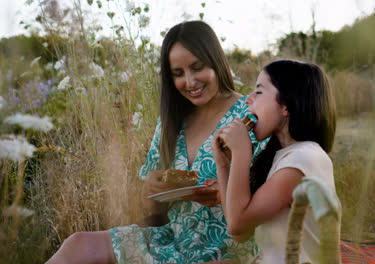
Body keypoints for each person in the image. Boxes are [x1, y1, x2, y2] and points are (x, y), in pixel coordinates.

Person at [46, 20, 266, 264]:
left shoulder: (250, 114)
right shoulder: (172, 120)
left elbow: (269, 201)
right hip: (170, 240)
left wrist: (225, 191)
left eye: (197, 67)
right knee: (77, 244)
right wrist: (150, 191)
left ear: (216, 61)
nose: (190, 82)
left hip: (226, 251)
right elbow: (151, 210)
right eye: (178, 74)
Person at [211, 59, 339, 264]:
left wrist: (242, 153)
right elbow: (238, 233)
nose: (247, 100)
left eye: (259, 92)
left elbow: (238, 224)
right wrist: (224, 165)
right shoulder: (283, 156)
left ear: (286, 106)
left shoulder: (303, 159)